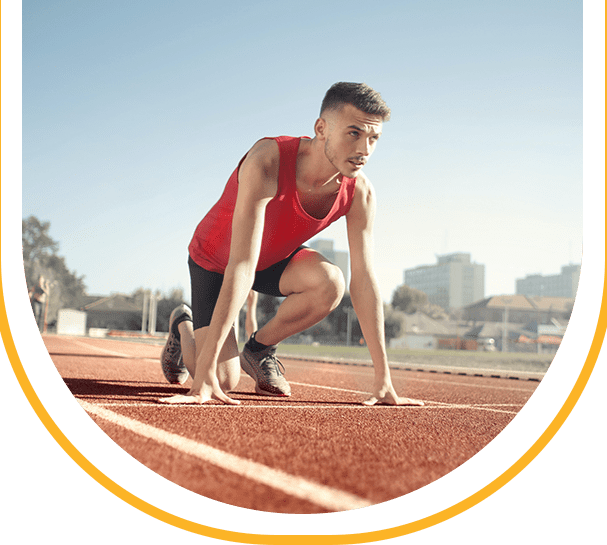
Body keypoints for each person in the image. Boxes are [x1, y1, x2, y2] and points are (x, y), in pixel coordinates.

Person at [159, 82, 423, 407]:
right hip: (216, 261)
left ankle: (258, 350)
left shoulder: (360, 193)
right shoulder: (267, 160)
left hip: (272, 261)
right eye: (354, 133)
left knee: (330, 282)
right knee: (222, 379)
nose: (365, 149)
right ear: (321, 128)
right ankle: (182, 325)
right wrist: (204, 377)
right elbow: (241, 263)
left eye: (374, 138)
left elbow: (365, 279)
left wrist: (383, 380)